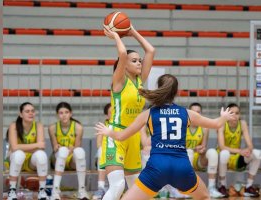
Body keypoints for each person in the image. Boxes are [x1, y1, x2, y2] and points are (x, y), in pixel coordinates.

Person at [95, 74, 235, 200]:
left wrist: (108, 132)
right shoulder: (186, 113)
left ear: (158, 88)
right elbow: (216, 124)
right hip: (181, 166)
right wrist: (224, 117)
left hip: (157, 167)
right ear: (176, 92)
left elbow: (121, 136)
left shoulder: (148, 114)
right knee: (204, 197)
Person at [99, 23, 155, 200]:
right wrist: (116, 35)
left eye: (139, 60)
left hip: (133, 136)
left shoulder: (140, 81)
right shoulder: (119, 81)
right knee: (117, 186)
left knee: (135, 189)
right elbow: (122, 54)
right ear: (124, 65)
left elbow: (151, 51)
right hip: (115, 135)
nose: (139, 62)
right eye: (134, 60)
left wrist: (132, 32)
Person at [217, 103, 261, 197]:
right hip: (223, 158)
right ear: (227, 114)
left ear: (240, 114)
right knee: (224, 153)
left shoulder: (242, 123)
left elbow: (250, 145)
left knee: (257, 154)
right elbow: (222, 147)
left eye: (237, 113)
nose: (234, 115)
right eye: (231, 113)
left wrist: (248, 150)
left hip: (236, 158)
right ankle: (222, 186)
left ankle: (249, 186)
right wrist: (240, 151)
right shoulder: (221, 123)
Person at [5, 102, 49, 200]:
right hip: (15, 160)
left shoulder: (38, 125)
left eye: (33, 111)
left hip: (30, 162)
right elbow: (14, 148)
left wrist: (23, 147)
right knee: (19, 154)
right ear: (21, 114)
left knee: (41, 155)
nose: (31, 113)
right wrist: (36, 145)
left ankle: (42, 190)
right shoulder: (14, 126)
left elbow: (41, 147)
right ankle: (12, 190)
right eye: (27, 111)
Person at [48, 102, 89, 200]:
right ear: (57, 115)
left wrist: (72, 148)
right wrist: (58, 147)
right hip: (57, 158)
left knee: (80, 152)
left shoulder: (78, 127)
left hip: (71, 161)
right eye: (61, 113)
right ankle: (55, 190)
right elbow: (54, 148)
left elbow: (77, 146)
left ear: (71, 113)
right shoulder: (52, 128)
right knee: (62, 151)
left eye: (66, 112)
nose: (64, 115)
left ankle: (82, 190)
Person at [186, 102, 225, 198]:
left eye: (198, 112)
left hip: (198, 159)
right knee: (189, 152)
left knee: (212, 152)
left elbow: (203, 146)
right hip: (184, 159)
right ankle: (187, 187)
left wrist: (202, 151)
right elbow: (177, 148)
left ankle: (211, 188)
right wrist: (193, 149)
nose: (196, 114)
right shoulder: (181, 126)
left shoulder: (204, 128)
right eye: (193, 112)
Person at [93, 103, 111, 199]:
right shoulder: (102, 126)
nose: (113, 114)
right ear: (106, 115)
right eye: (111, 112)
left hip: (121, 154)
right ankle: (101, 187)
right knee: (101, 151)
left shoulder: (123, 124)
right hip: (107, 154)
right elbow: (99, 143)